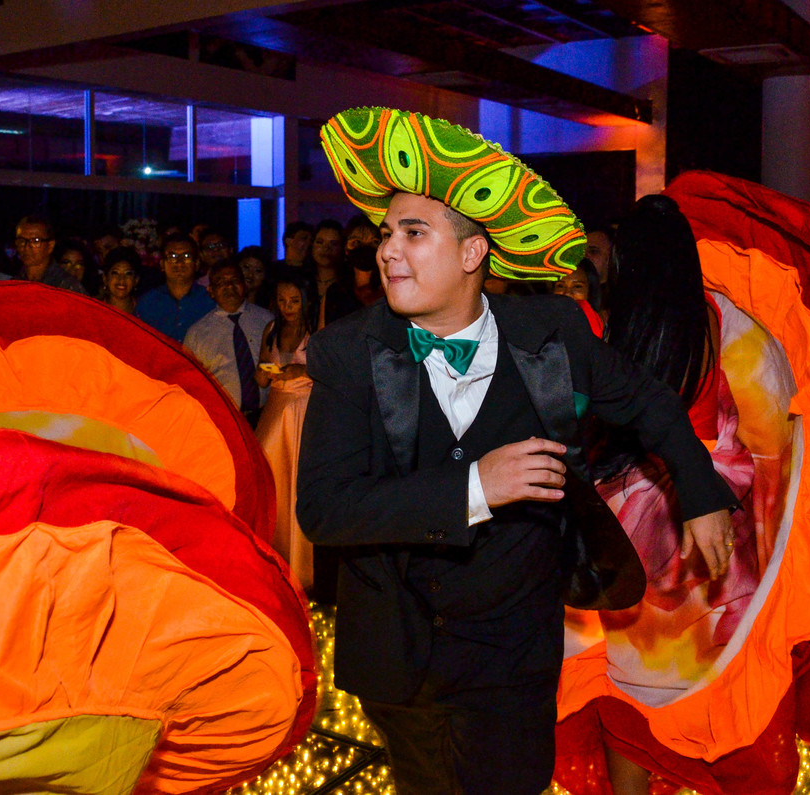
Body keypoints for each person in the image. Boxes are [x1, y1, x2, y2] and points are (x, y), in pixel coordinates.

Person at [297, 107, 736, 795]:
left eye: (414, 233)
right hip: (401, 650)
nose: (387, 251)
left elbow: (649, 400)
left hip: (514, 649)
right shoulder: (348, 352)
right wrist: (474, 486)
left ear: (472, 253)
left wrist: (703, 494)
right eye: (386, 233)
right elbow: (324, 508)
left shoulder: (551, 330)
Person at [588, 195, 756, 795]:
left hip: (633, 506)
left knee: (625, 683)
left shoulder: (617, 325)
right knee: (702, 683)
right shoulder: (709, 313)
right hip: (706, 497)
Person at [254, 276, 315, 588]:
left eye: (294, 301)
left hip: (305, 411)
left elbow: (331, 369)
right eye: (282, 301)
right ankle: (273, 560)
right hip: (276, 411)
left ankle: (304, 566)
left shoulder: (316, 329)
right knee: (273, 481)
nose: (288, 307)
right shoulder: (271, 329)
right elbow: (262, 375)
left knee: (299, 484)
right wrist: (264, 373)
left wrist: (302, 370)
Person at [184, 261, 273, 424]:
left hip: (267, 416)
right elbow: (191, 382)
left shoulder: (267, 320)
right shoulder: (197, 333)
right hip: (223, 419)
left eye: (234, 280)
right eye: (221, 282)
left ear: (244, 285)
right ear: (211, 291)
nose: (229, 286)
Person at [137, 232, 215, 342]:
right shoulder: (147, 302)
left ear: (197, 264)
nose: (179, 263)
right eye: (172, 257)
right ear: (162, 264)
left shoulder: (210, 300)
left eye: (186, 257)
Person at [13, 215, 85, 293]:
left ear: (50, 245)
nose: (27, 247)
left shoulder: (66, 286)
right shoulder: (14, 284)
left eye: (35, 241)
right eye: (22, 241)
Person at [101, 247, 140, 315]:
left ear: (136, 280)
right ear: (105, 278)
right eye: (115, 273)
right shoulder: (94, 309)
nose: (121, 279)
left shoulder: (145, 310)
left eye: (128, 273)